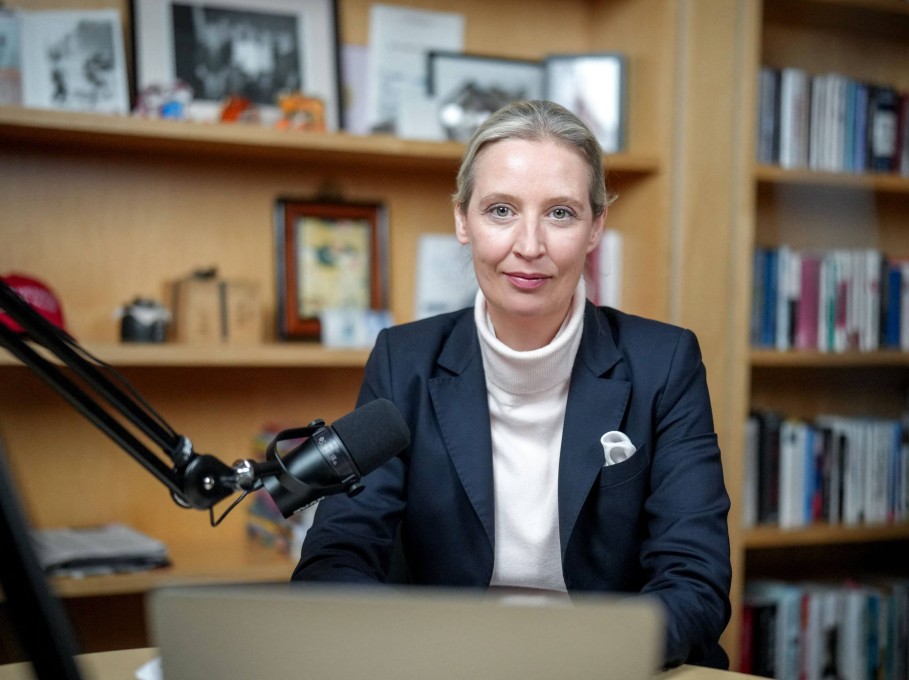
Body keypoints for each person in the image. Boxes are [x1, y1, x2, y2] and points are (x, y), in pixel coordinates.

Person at [292, 99, 732, 669]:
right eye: (501, 210)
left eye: (561, 214)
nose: (529, 245)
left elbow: (694, 582)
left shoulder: (665, 363)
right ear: (461, 220)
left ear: (596, 226)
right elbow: (336, 557)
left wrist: (574, 657)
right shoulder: (406, 361)